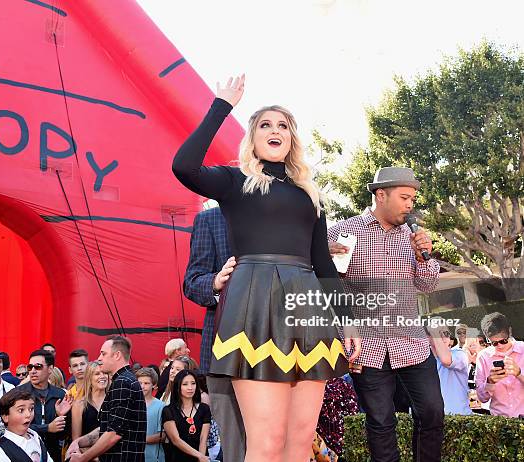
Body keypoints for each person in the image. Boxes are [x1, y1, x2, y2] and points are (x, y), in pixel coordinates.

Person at [172, 75, 360, 462]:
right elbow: (184, 166)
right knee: (267, 442)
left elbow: (323, 264)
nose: (275, 130)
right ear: (252, 137)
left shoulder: (311, 194)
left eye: (283, 125)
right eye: (265, 125)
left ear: (292, 139)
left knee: (300, 439)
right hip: (253, 307)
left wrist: (350, 322)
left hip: (309, 309)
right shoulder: (234, 181)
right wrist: (221, 106)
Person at [327, 166, 443, 461]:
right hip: (366, 347)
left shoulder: (413, 238)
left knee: (431, 412)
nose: (410, 205)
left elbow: (427, 286)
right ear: (381, 195)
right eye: (405, 197)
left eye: (413, 199)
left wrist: (424, 259)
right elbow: (330, 287)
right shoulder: (344, 232)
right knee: (380, 422)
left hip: (411, 344)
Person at [183, 205, 245, 462]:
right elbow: (192, 281)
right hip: (224, 350)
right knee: (234, 444)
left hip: (278, 347)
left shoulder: (282, 213)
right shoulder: (211, 220)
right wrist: (216, 283)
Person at [67, 336, 146, 462]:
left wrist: (83, 458)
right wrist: (78, 441)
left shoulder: (122, 382)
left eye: (103, 354)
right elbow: (107, 428)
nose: (99, 358)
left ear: (117, 355)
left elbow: (113, 434)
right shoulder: (124, 380)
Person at [17, 349, 73, 462]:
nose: (32, 371)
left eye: (38, 367)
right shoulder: (19, 393)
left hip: (53, 454)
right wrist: (47, 428)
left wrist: (60, 416)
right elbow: (15, 426)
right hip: (24, 453)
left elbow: (66, 433)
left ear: (50, 369)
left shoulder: (60, 394)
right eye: (30, 367)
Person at [475, 312, 523, 418]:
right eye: (494, 343)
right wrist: (490, 382)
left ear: (509, 332)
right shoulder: (483, 357)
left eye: (503, 341)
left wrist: (519, 374)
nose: (500, 346)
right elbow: (482, 398)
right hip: (499, 422)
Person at [0, 388, 53, 462]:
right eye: (21, 410)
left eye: (31, 409)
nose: (28, 414)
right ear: (5, 417)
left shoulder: (36, 438)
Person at [161, 370, 211, 462]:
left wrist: (201, 457)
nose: (190, 388)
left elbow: (203, 439)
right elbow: (176, 440)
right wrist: (199, 456)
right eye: (185, 384)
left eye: (193, 383)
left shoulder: (204, 408)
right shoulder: (168, 410)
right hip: (177, 457)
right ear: (177, 387)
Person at [429, 326, 472, 415]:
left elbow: (446, 360)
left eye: (446, 334)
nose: (444, 337)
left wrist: (434, 332)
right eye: (438, 334)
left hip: (460, 418)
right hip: (432, 420)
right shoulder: (423, 361)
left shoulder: (459, 354)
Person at [72, 361, 109, 440]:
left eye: (105, 373)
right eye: (97, 374)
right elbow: (76, 439)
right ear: (89, 378)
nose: (102, 376)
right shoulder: (79, 404)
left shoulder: (113, 401)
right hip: (86, 451)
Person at [136, 368, 165, 462]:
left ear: (154, 385)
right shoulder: (130, 404)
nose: (142, 386)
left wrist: (136, 439)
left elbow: (163, 435)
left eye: (146, 383)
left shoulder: (161, 406)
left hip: (153, 458)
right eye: (139, 383)